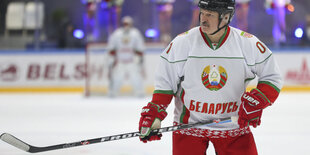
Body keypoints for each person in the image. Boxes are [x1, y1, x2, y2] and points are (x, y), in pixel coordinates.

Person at [138, 0, 283, 154]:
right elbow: (166, 84)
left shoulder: (247, 43)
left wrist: (257, 101)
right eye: (202, 13)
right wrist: (155, 112)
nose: (203, 19)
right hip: (189, 128)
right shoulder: (182, 43)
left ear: (226, 17)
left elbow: (272, 77)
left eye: (210, 15)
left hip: (234, 126)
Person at [107, 16, 145, 97]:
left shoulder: (135, 33)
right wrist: (112, 58)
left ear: (131, 24)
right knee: (117, 79)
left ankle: (139, 93)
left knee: (136, 78)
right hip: (120, 61)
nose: (126, 25)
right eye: (125, 23)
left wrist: (138, 56)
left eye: (128, 24)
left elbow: (140, 48)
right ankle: (113, 93)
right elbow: (111, 48)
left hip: (131, 61)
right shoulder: (117, 34)